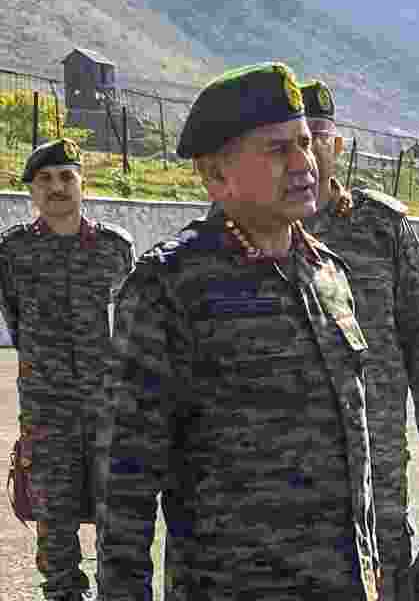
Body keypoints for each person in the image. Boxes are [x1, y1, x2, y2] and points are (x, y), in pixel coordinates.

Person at [95, 63, 380, 600]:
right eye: (277, 150)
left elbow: (353, 453)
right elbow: (125, 477)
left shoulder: (328, 272)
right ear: (216, 175)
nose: (304, 164)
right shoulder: (169, 287)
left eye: (304, 143)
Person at [299, 79, 419, 599]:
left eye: (318, 134)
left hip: (379, 439)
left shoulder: (381, 227)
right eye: (296, 136)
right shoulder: (254, 230)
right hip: (291, 447)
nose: (308, 148)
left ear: (337, 144)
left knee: (388, 555)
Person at [0, 138, 134, 601]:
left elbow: (128, 323)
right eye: (45, 179)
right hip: (47, 412)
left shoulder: (116, 248)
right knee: (54, 528)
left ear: (83, 184)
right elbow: (15, 318)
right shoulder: (13, 252)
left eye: (66, 177)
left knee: (117, 524)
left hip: (107, 410)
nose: (57, 187)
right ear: (32, 192)